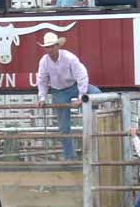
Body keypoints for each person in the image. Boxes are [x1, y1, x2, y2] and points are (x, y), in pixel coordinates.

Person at [35, 32, 101, 160]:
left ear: (57, 46)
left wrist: (81, 97)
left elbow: (81, 76)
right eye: (48, 47)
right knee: (64, 127)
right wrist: (41, 98)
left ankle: (93, 119)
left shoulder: (69, 58)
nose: (50, 49)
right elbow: (41, 80)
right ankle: (70, 157)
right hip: (58, 90)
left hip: (72, 86)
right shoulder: (44, 61)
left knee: (96, 94)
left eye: (52, 46)